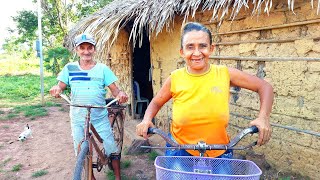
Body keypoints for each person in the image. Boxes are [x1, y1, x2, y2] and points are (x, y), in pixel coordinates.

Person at [136, 22, 273, 158]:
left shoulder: (224, 74)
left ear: (211, 48)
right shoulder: (175, 78)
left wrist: (263, 118)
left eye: (202, 46)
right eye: (190, 47)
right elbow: (156, 103)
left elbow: (264, 87)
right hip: (179, 150)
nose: (197, 52)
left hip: (220, 151)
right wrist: (146, 119)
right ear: (182, 52)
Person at [49, 33, 127, 180]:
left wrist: (120, 94)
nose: (86, 51)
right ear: (77, 50)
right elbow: (60, 86)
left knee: (111, 146)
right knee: (81, 150)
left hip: (99, 115)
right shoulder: (69, 68)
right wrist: (57, 89)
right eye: (82, 48)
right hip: (78, 116)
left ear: (94, 50)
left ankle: (118, 176)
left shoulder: (103, 69)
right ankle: (91, 177)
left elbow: (115, 90)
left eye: (89, 47)